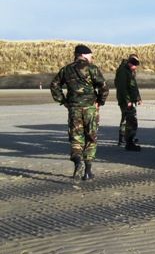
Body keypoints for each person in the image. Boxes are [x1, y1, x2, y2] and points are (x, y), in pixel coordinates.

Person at [50, 44, 109, 180]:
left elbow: (54, 85)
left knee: (76, 138)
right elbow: (104, 87)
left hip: (74, 108)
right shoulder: (92, 68)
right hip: (90, 108)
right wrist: (100, 101)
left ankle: (77, 161)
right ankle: (88, 171)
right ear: (83, 55)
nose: (92, 58)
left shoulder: (66, 69)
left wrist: (63, 101)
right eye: (90, 55)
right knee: (91, 137)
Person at [115, 54, 142, 151]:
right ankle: (126, 140)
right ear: (130, 63)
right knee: (129, 120)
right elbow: (122, 88)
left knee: (128, 119)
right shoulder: (123, 71)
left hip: (130, 100)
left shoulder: (130, 71)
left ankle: (128, 140)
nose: (136, 68)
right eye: (135, 65)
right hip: (126, 100)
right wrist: (128, 101)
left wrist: (138, 98)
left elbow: (134, 85)